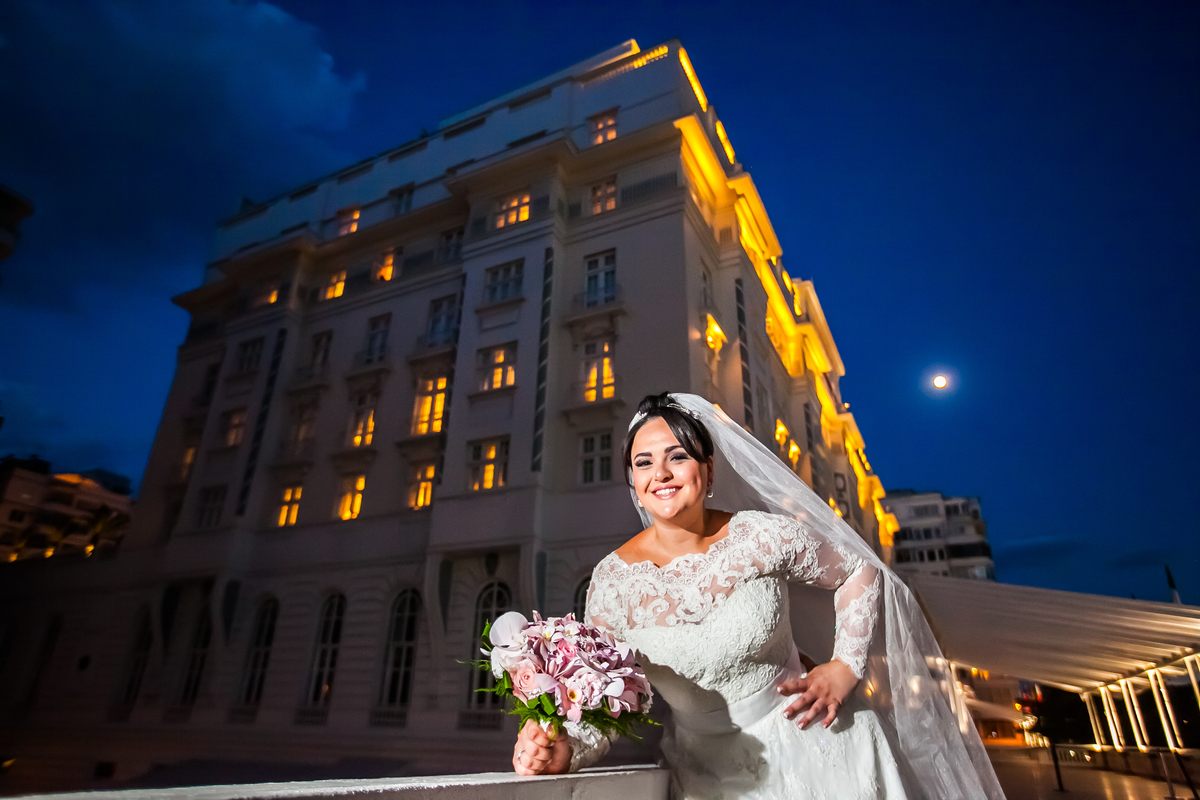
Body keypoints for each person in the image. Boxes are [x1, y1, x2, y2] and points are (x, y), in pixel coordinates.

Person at [512, 393, 1005, 799]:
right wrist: (564, 749)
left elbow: (860, 571)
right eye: (644, 462)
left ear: (706, 470)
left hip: (821, 751)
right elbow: (613, 698)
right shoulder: (611, 583)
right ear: (634, 484)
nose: (660, 472)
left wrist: (845, 666)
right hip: (705, 778)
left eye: (677, 456)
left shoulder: (759, 537)